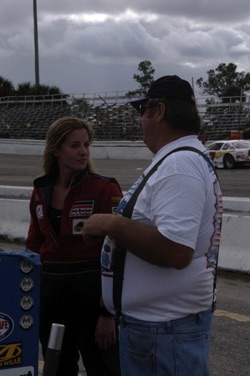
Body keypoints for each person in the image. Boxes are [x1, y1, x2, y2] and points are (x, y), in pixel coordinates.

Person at [82, 76, 223, 376]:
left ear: (158, 111)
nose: (140, 122)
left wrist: (111, 224)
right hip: (161, 329)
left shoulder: (179, 165)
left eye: (142, 112)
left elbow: (175, 251)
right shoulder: (180, 158)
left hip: (164, 332)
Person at [26, 116, 122, 376]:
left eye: (86, 145)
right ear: (55, 150)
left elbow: (118, 251)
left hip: (92, 295)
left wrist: (107, 312)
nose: (83, 152)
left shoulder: (104, 188)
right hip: (51, 296)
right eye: (74, 145)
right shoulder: (40, 190)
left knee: (105, 369)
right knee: (57, 369)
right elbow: (34, 246)